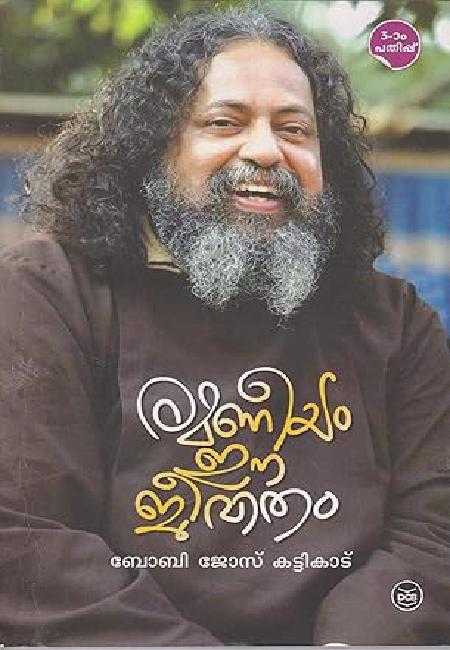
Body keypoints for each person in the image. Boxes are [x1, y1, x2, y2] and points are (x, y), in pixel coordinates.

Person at [0, 6, 449, 646]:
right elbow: (24, 538)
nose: (265, 150)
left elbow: (433, 536)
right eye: (224, 122)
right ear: (152, 146)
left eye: (295, 130)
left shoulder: (396, 323)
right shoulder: (46, 296)